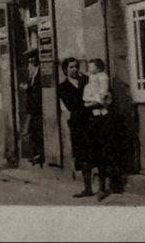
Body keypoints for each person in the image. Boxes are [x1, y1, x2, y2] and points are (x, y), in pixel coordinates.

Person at [58, 57, 96, 198]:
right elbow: (71, 105)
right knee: (82, 155)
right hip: (78, 123)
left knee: (97, 152)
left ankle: (103, 186)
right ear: (65, 70)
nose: (74, 69)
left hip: (92, 120)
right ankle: (88, 188)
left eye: (76, 66)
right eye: (71, 67)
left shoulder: (87, 80)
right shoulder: (63, 87)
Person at [82, 58, 114, 201]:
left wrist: (94, 101)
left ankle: (103, 187)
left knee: (103, 152)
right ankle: (91, 187)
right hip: (92, 120)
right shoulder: (89, 84)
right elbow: (86, 100)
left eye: (92, 67)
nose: (89, 69)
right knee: (92, 152)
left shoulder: (103, 79)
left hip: (102, 119)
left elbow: (104, 99)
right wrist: (95, 101)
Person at [19, 50, 44, 164]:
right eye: (29, 60)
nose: (31, 62)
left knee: (37, 130)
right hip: (32, 107)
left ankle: (39, 154)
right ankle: (36, 153)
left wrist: (28, 88)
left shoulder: (41, 70)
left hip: (39, 106)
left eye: (33, 59)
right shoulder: (31, 71)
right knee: (32, 131)